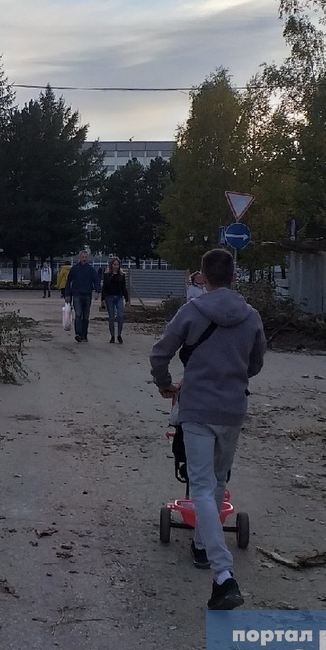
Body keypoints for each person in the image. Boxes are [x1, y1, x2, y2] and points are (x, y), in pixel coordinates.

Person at [149, 248, 265, 610]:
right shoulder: (252, 317)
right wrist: (230, 377)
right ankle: (201, 544)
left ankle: (223, 574)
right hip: (232, 409)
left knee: (200, 485)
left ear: (202, 276)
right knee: (217, 481)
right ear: (234, 275)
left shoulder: (193, 310)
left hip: (197, 407)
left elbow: (160, 353)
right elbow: (255, 363)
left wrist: (165, 382)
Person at [64, 250, 101, 343]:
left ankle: (84, 335)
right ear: (79, 258)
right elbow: (68, 282)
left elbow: (96, 280)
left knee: (86, 316)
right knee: (78, 314)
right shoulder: (74, 269)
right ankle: (78, 333)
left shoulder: (91, 270)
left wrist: (97, 291)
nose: (84, 259)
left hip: (87, 295)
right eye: (82, 257)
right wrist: (67, 294)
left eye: (86, 257)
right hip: (77, 294)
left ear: (88, 258)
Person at [100, 257, 130, 344]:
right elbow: (104, 288)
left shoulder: (121, 275)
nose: (116, 266)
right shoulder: (107, 275)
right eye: (114, 265)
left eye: (117, 265)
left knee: (120, 316)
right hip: (110, 297)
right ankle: (112, 336)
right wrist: (103, 299)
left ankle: (119, 335)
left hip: (119, 297)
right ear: (111, 265)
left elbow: (124, 288)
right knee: (111, 317)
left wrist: (127, 299)